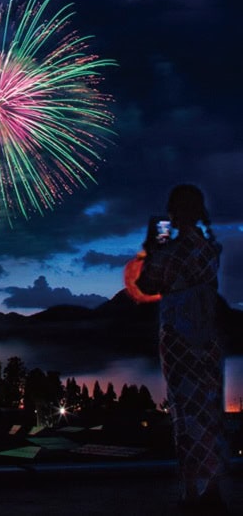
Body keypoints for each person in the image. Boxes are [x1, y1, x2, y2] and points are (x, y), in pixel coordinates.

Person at [135, 184, 229, 513]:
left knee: (186, 415)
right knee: (209, 413)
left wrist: (153, 249)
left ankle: (193, 494)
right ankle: (212, 489)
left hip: (178, 340)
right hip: (208, 338)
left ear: (176, 213)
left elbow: (147, 283)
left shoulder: (172, 252)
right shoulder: (209, 249)